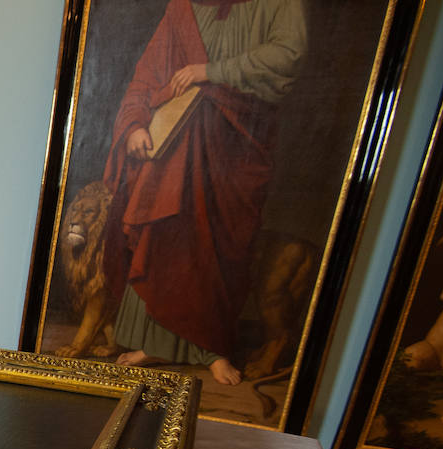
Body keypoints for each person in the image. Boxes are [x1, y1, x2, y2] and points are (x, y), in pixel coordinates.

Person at [101, 0, 306, 385]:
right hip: (172, 147)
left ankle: (211, 348)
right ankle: (155, 342)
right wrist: (133, 126)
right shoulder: (182, 9)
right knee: (164, 236)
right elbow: (145, 77)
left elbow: (287, 55)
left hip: (235, 146)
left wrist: (211, 71)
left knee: (217, 244)